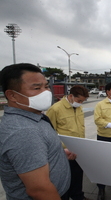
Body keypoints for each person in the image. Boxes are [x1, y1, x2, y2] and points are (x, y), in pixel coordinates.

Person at [0, 63, 71, 199]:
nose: (45, 92)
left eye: (46, 87)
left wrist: (58, 153)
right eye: (37, 88)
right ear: (12, 95)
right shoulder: (24, 132)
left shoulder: (34, 116)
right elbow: (39, 190)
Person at [46, 85, 90, 200]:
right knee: (64, 179)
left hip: (78, 149)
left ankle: (78, 196)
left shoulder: (78, 108)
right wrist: (61, 149)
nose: (80, 103)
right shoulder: (55, 109)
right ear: (70, 96)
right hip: (63, 152)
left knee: (77, 176)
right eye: (79, 100)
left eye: (82, 101)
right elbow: (49, 133)